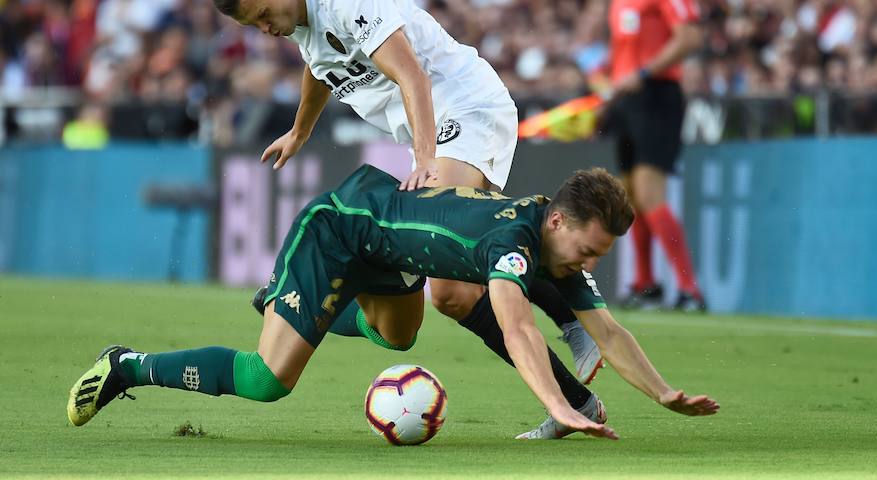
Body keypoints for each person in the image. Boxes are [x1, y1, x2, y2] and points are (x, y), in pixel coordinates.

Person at [67, 164, 719, 438]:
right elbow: (518, 330)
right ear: (558, 222)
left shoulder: (555, 244)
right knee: (268, 382)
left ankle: (291, 308)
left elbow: (608, 333)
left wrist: (665, 394)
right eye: (591, 249)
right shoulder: (514, 243)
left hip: (390, 254)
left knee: (399, 339)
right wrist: (558, 406)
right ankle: (127, 364)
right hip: (340, 226)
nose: (591, 263)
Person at [209, 0, 604, 391]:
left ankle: (575, 313)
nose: (266, 29)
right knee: (453, 297)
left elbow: (412, 76)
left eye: (263, 14)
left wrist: (426, 160)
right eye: (255, 25)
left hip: (464, 108)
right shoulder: (304, 21)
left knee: (464, 249)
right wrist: (299, 132)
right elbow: (319, 68)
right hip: (437, 128)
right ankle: (576, 401)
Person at [600, 0, 706, 311]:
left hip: (657, 95)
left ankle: (689, 288)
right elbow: (622, 50)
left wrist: (643, 72)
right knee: (630, 195)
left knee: (649, 192)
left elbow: (689, 37)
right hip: (627, 98)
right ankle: (646, 284)